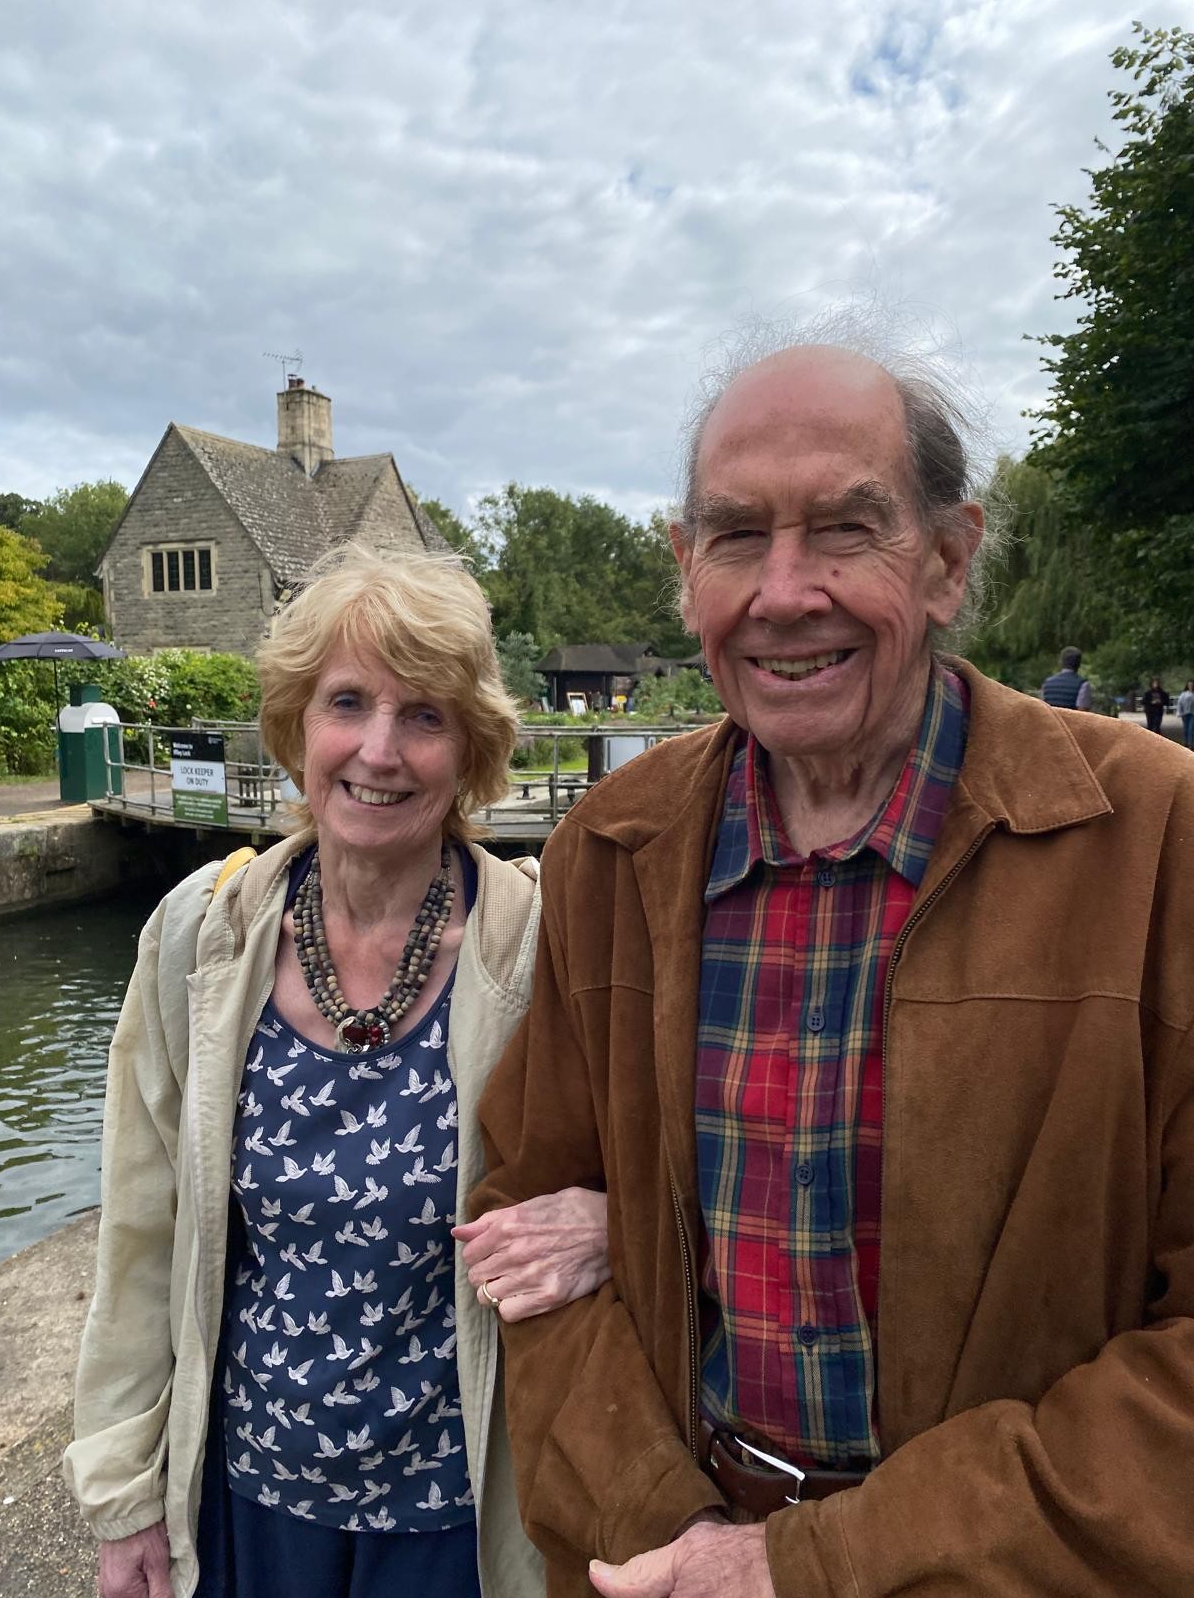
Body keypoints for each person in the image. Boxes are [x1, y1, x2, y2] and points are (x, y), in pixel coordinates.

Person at [471, 339, 1194, 1597]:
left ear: (951, 560)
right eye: (738, 536)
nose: (785, 591)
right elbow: (535, 1253)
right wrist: (675, 1538)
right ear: (686, 569)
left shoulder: (1155, 838)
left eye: (848, 529)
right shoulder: (612, 848)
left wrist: (824, 1567)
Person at [63, 544, 610, 1598]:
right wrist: (126, 1495)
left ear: (473, 750)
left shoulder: (542, 946)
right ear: (294, 727)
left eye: (424, 716)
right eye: (347, 702)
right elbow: (142, 1233)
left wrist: (610, 1220)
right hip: (250, 1498)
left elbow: (667, 1159)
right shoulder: (198, 938)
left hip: (459, 1512)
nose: (378, 749)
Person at [1040, 645, 1092, 710]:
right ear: (1079, 664)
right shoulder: (1083, 685)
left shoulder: (1047, 683)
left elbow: (1043, 709)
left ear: (1060, 662)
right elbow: (1082, 712)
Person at [1179, 679, 1194, 749]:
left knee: (1191, 728)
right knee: (1186, 728)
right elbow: (1180, 703)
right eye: (1189, 685)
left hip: (1193, 713)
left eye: (1192, 685)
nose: (1190, 686)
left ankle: (1190, 743)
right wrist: (1179, 712)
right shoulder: (1184, 694)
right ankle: (1185, 743)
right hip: (1185, 713)